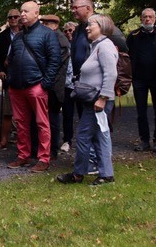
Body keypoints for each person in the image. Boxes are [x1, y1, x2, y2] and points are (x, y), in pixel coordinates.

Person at [57, 14, 118, 186]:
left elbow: (111, 74)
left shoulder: (104, 46)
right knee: (100, 136)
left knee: (84, 136)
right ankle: (106, 175)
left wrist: (103, 98)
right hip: (95, 100)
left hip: (98, 101)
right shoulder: (97, 46)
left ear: (102, 27)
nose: (87, 28)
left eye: (91, 25)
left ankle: (79, 174)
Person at [6, 1, 61, 173]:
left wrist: (44, 84)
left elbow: (55, 60)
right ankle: (23, 155)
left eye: (25, 11)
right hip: (17, 86)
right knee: (21, 123)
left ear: (36, 13)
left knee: (42, 123)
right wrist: (11, 80)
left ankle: (44, 158)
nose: (22, 14)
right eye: (21, 11)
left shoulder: (47, 34)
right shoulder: (19, 37)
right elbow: (11, 59)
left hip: (36, 85)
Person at [127, 8, 156, 152]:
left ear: (155, 19)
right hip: (139, 79)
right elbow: (127, 56)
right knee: (141, 111)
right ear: (141, 19)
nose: (148, 19)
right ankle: (144, 140)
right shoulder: (133, 36)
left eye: (150, 17)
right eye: (145, 17)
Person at [40, 14, 70, 158]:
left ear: (55, 25)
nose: (44, 26)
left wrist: (46, 81)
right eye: (43, 23)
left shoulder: (61, 40)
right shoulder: (47, 38)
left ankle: (52, 150)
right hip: (45, 83)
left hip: (55, 86)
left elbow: (56, 64)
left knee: (53, 119)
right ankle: (43, 148)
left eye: (47, 23)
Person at [0, 8, 21, 151]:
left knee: (24, 112)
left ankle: (23, 142)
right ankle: (4, 139)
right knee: (7, 111)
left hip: (25, 76)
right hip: (9, 77)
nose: (13, 19)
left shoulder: (26, 33)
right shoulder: (2, 36)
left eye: (16, 17)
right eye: (10, 17)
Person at [60, 21, 77, 151]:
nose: (68, 33)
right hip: (66, 84)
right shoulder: (62, 45)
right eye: (66, 31)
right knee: (67, 113)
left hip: (80, 83)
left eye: (70, 30)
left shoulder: (80, 45)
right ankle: (67, 140)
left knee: (84, 112)